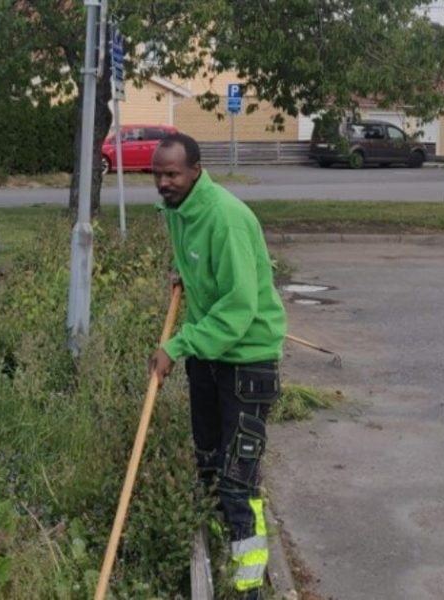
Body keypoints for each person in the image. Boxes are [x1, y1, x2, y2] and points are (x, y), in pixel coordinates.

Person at [148, 133, 286, 599]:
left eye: (172, 174)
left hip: (247, 363)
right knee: (208, 465)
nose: (163, 182)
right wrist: (182, 275)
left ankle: (249, 588)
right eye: (158, 174)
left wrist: (177, 344)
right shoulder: (178, 211)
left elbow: (239, 305)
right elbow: (200, 266)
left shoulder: (223, 217)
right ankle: (212, 560)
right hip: (210, 359)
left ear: (195, 170)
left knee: (237, 480)